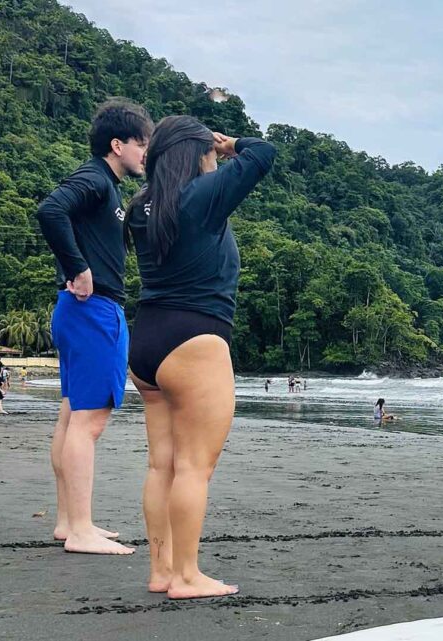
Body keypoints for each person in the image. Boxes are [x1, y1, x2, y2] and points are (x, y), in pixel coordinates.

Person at [126, 115, 275, 598]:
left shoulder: (140, 207)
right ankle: (187, 576)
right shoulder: (199, 199)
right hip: (196, 341)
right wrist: (231, 143)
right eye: (210, 154)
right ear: (198, 155)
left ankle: (162, 570)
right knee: (193, 467)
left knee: (161, 466)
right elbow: (264, 154)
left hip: (146, 341)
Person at [36, 98, 152, 555]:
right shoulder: (95, 179)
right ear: (117, 144)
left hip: (81, 312)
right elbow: (50, 211)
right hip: (91, 309)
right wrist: (77, 266)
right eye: (142, 144)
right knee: (89, 421)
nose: (146, 152)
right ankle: (80, 530)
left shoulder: (108, 185)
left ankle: (69, 522)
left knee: (71, 416)